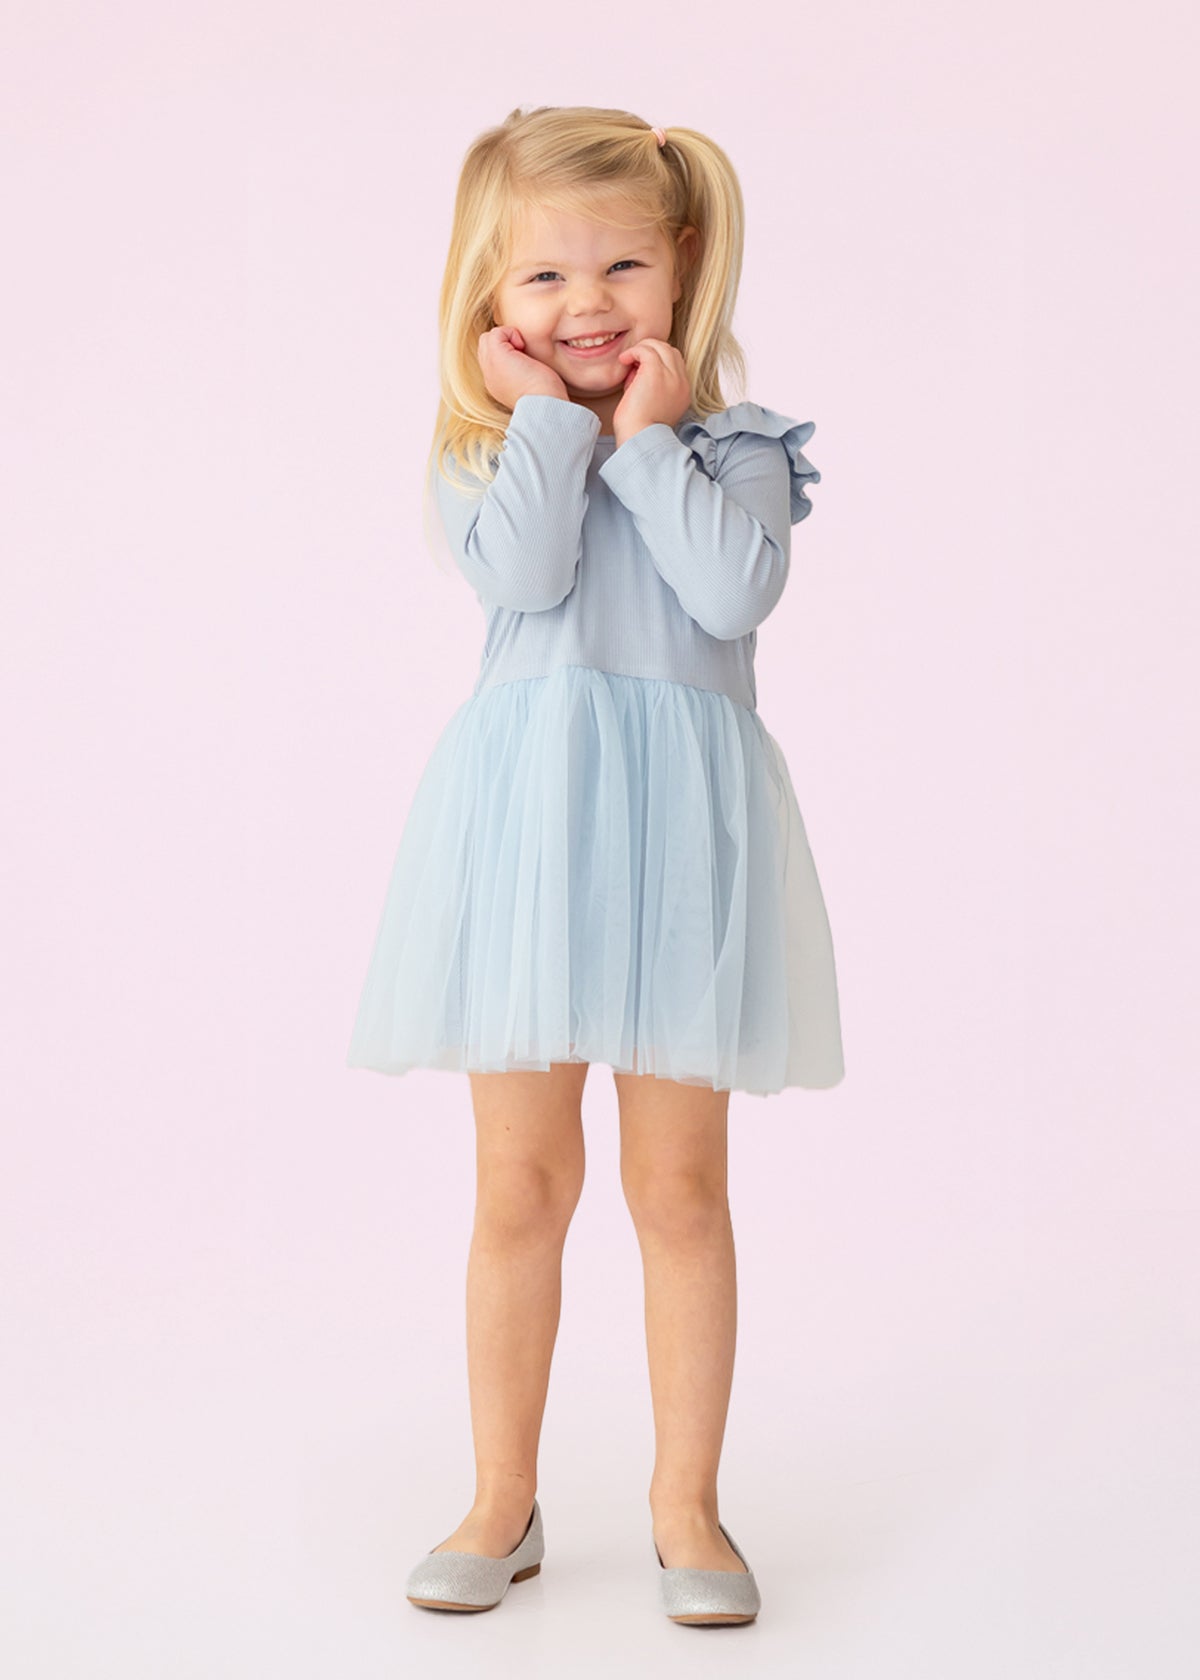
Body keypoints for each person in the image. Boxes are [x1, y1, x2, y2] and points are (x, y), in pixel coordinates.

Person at [346, 105, 845, 1624]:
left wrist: (642, 439)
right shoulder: (485, 455)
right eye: (545, 279)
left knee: (680, 1186)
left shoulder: (740, 453)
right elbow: (524, 573)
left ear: (683, 261)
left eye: (622, 264)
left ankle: (686, 1504)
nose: (586, 304)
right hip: (531, 833)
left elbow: (729, 594)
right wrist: (559, 428)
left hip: (682, 840)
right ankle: (503, 1498)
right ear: (489, 302)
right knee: (521, 1184)